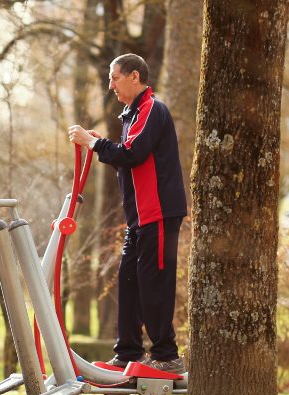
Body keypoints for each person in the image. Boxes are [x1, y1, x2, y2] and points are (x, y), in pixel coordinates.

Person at [68, 53, 188, 375]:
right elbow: (125, 154)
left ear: (135, 77)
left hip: (160, 213)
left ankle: (166, 355)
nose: (110, 85)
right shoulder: (132, 115)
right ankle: (127, 353)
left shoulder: (151, 109)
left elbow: (132, 154)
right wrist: (97, 142)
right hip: (139, 217)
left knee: (154, 282)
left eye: (114, 77)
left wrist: (93, 145)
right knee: (129, 280)